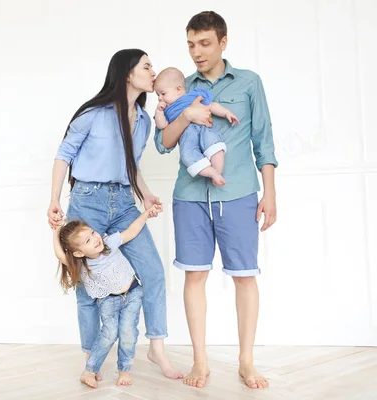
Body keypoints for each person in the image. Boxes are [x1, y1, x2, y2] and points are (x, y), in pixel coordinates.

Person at [47, 48, 197, 379]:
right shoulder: (94, 113)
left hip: (124, 202)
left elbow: (133, 166)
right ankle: (92, 356)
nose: (153, 71)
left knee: (153, 272)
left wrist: (146, 195)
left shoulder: (143, 121)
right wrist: (55, 199)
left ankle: (157, 349)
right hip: (87, 201)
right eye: (147, 66)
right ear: (128, 73)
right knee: (87, 285)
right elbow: (64, 154)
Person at [154, 11, 278, 389]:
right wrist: (187, 114)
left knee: (245, 278)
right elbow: (163, 143)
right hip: (190, 196)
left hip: (239, 193)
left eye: (205, 43)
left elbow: (264, 140)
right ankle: (200, 362)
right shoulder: (177, 87)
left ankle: (246, 361)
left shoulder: (249, 83)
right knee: (195, 275)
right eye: (191, 44)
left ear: (223, 42)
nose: (197, 52)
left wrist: (269, 192)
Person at [52, 204, 162, 388]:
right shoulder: (81, 263)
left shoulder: (109, 243)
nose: (95, 239)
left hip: (133, 293)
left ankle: (124, 370)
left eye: (93, 233)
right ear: (78, 253)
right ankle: (90, 370)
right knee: (109, 333)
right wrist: (56, 231)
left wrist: (146, 214)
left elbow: (131, 231)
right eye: (87, 241)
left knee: (127, 332)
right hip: (108, 300)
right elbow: (59, 254)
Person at [154, 67, 240, 186]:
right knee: (188, 155)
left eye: (163, 93)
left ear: (178, 89)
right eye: (158, 95)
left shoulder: (193, 95)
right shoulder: (167, 110)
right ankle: (211, 172)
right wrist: (159, 113)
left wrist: (226, 113)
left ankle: (218, 171)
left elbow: (211, 105)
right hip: (186, 136)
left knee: (214, 144)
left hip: (204, 128)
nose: (160, 98)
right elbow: (162, 125)